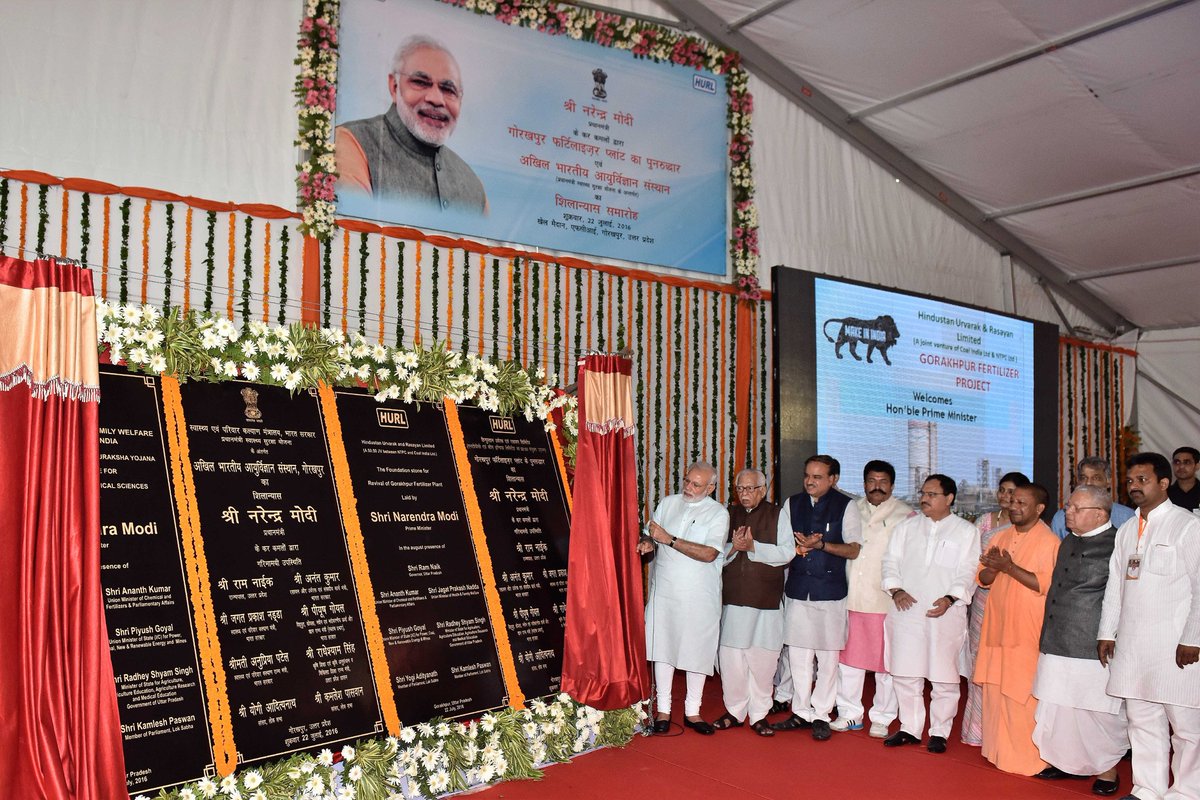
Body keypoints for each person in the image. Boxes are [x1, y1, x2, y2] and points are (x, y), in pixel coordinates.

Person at [1098, 452, 1200, 800]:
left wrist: (1193, 638)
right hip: (1134, 644)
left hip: (1177, 646)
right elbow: (1115, 585)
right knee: (1142, 720)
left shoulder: (1187, 525)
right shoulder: (1127, 529)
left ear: (1163, 483)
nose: (1134, 487)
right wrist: (1106, 632)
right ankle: (1147, 788)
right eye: (1130, 481)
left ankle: (1187, 792)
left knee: (1186, 727)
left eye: (1142, 480)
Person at [1031, 485, 1127, 796]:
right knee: (1057, 706)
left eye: (1074, 508)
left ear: (1099, 514)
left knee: (1096, 712)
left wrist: (1111, 636)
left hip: (1094, 645)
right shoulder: (1068, 541)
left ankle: (1107, 770)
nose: (1066, 513)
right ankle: (1067, 762)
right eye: (1068, 507)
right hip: (1057, 639)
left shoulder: (1120, 544)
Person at [879, 474, 979, 753]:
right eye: (923, 493)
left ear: (949, 498)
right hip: (906, 611)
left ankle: (939, 732)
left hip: (945, 613)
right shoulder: (906, 528)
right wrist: (895, 590)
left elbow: (968, 570)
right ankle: (909, 728)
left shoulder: (965, 531)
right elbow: (890, 562)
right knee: (905, 673)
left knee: (944, 676)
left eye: (932, 494)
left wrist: (950, 598)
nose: (925, 498)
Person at [336, 36, 488, 212]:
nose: (436, 99)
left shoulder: (474, 186)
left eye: (448, 89)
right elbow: (352, 229)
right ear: (394, 87)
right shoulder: (353, 142)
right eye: (421, 82)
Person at [771, 455, 862, 740]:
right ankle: (800, 711)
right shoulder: (792, 503)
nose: (810, 481)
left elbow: (854, 550)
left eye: (818, 477)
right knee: (798, 656)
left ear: (834, 479)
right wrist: (796, 550)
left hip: (830, 593)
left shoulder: (847, 506)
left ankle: (821, 713)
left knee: (827, 657)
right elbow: (784, 544)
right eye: (807, 475)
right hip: (798, 590)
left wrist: (821, 544)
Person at [973, 483, 1060, 775]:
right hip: (997, 627)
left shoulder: (1050, 542)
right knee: (996, 690)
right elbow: (983, 578)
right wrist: (996, 568)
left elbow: (1043, 584)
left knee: (1022, 693)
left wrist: (1009, 568)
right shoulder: (1000, 537)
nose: (1014, 506)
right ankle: (998, 751)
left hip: (1027, 632)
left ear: (1039, 509)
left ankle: (1029, 759)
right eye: (1012, 501)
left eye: (1023, 503)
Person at [638, 461, 729, 735]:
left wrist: (670, 539)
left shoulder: (718, 514)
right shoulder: (668, 503)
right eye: (687, 481)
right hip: (665, 590)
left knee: (696, 650)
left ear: (711, 487)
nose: (689, 488)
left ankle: (693, 711)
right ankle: (663, 709)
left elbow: (710, 553)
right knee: (662, 646)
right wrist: (648, 543)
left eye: (696, 484)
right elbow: (651, 535)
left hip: (699, 595)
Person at [831, 460, 911, 738]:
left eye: (883, 482)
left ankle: (883, 717)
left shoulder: (906, 515)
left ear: (892, 484)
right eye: (871, 481)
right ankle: (849, 713)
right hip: (850, 596)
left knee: (885, 664)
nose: (876, 487)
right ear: (863, 483)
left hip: (886, 601)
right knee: (848, 661)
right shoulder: (851, 509)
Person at [713, 469, 792, 736]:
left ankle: (759, 713)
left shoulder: (778, 514)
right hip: (733, 598)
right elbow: (714, 554)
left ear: (763, 489)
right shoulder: (726, 514)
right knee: (731, 658)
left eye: (750, 489)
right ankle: (735, 710)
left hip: (766, 600)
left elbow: (787, 552)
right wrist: (734, 548)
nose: (745, 494)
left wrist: (754, 547)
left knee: (763, 659)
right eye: (740, 489)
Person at [961, 471, 1029, 746]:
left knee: (1008, 664)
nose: (1006, 496)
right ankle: (978, 729)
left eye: (1012, 492)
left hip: (1012, 601)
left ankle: (1007, 728)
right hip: (983, 598)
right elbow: (972, 563)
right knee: (979, 661)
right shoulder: (985, 522)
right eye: (1002, 490)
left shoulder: (1030, 529)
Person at [1049, 457, 1135, 539]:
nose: (1089, 483)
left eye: (1096, 478)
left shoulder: (1127, 517)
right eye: (1083, 478)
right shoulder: (1062, 518)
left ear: (1108, 482)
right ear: (1077, 482)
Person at [1168, 445, 1200, 511]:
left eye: (1187, 462)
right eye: (1177, 462)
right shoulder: (1164, 495)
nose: (1181, 466)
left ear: (1197, 466)